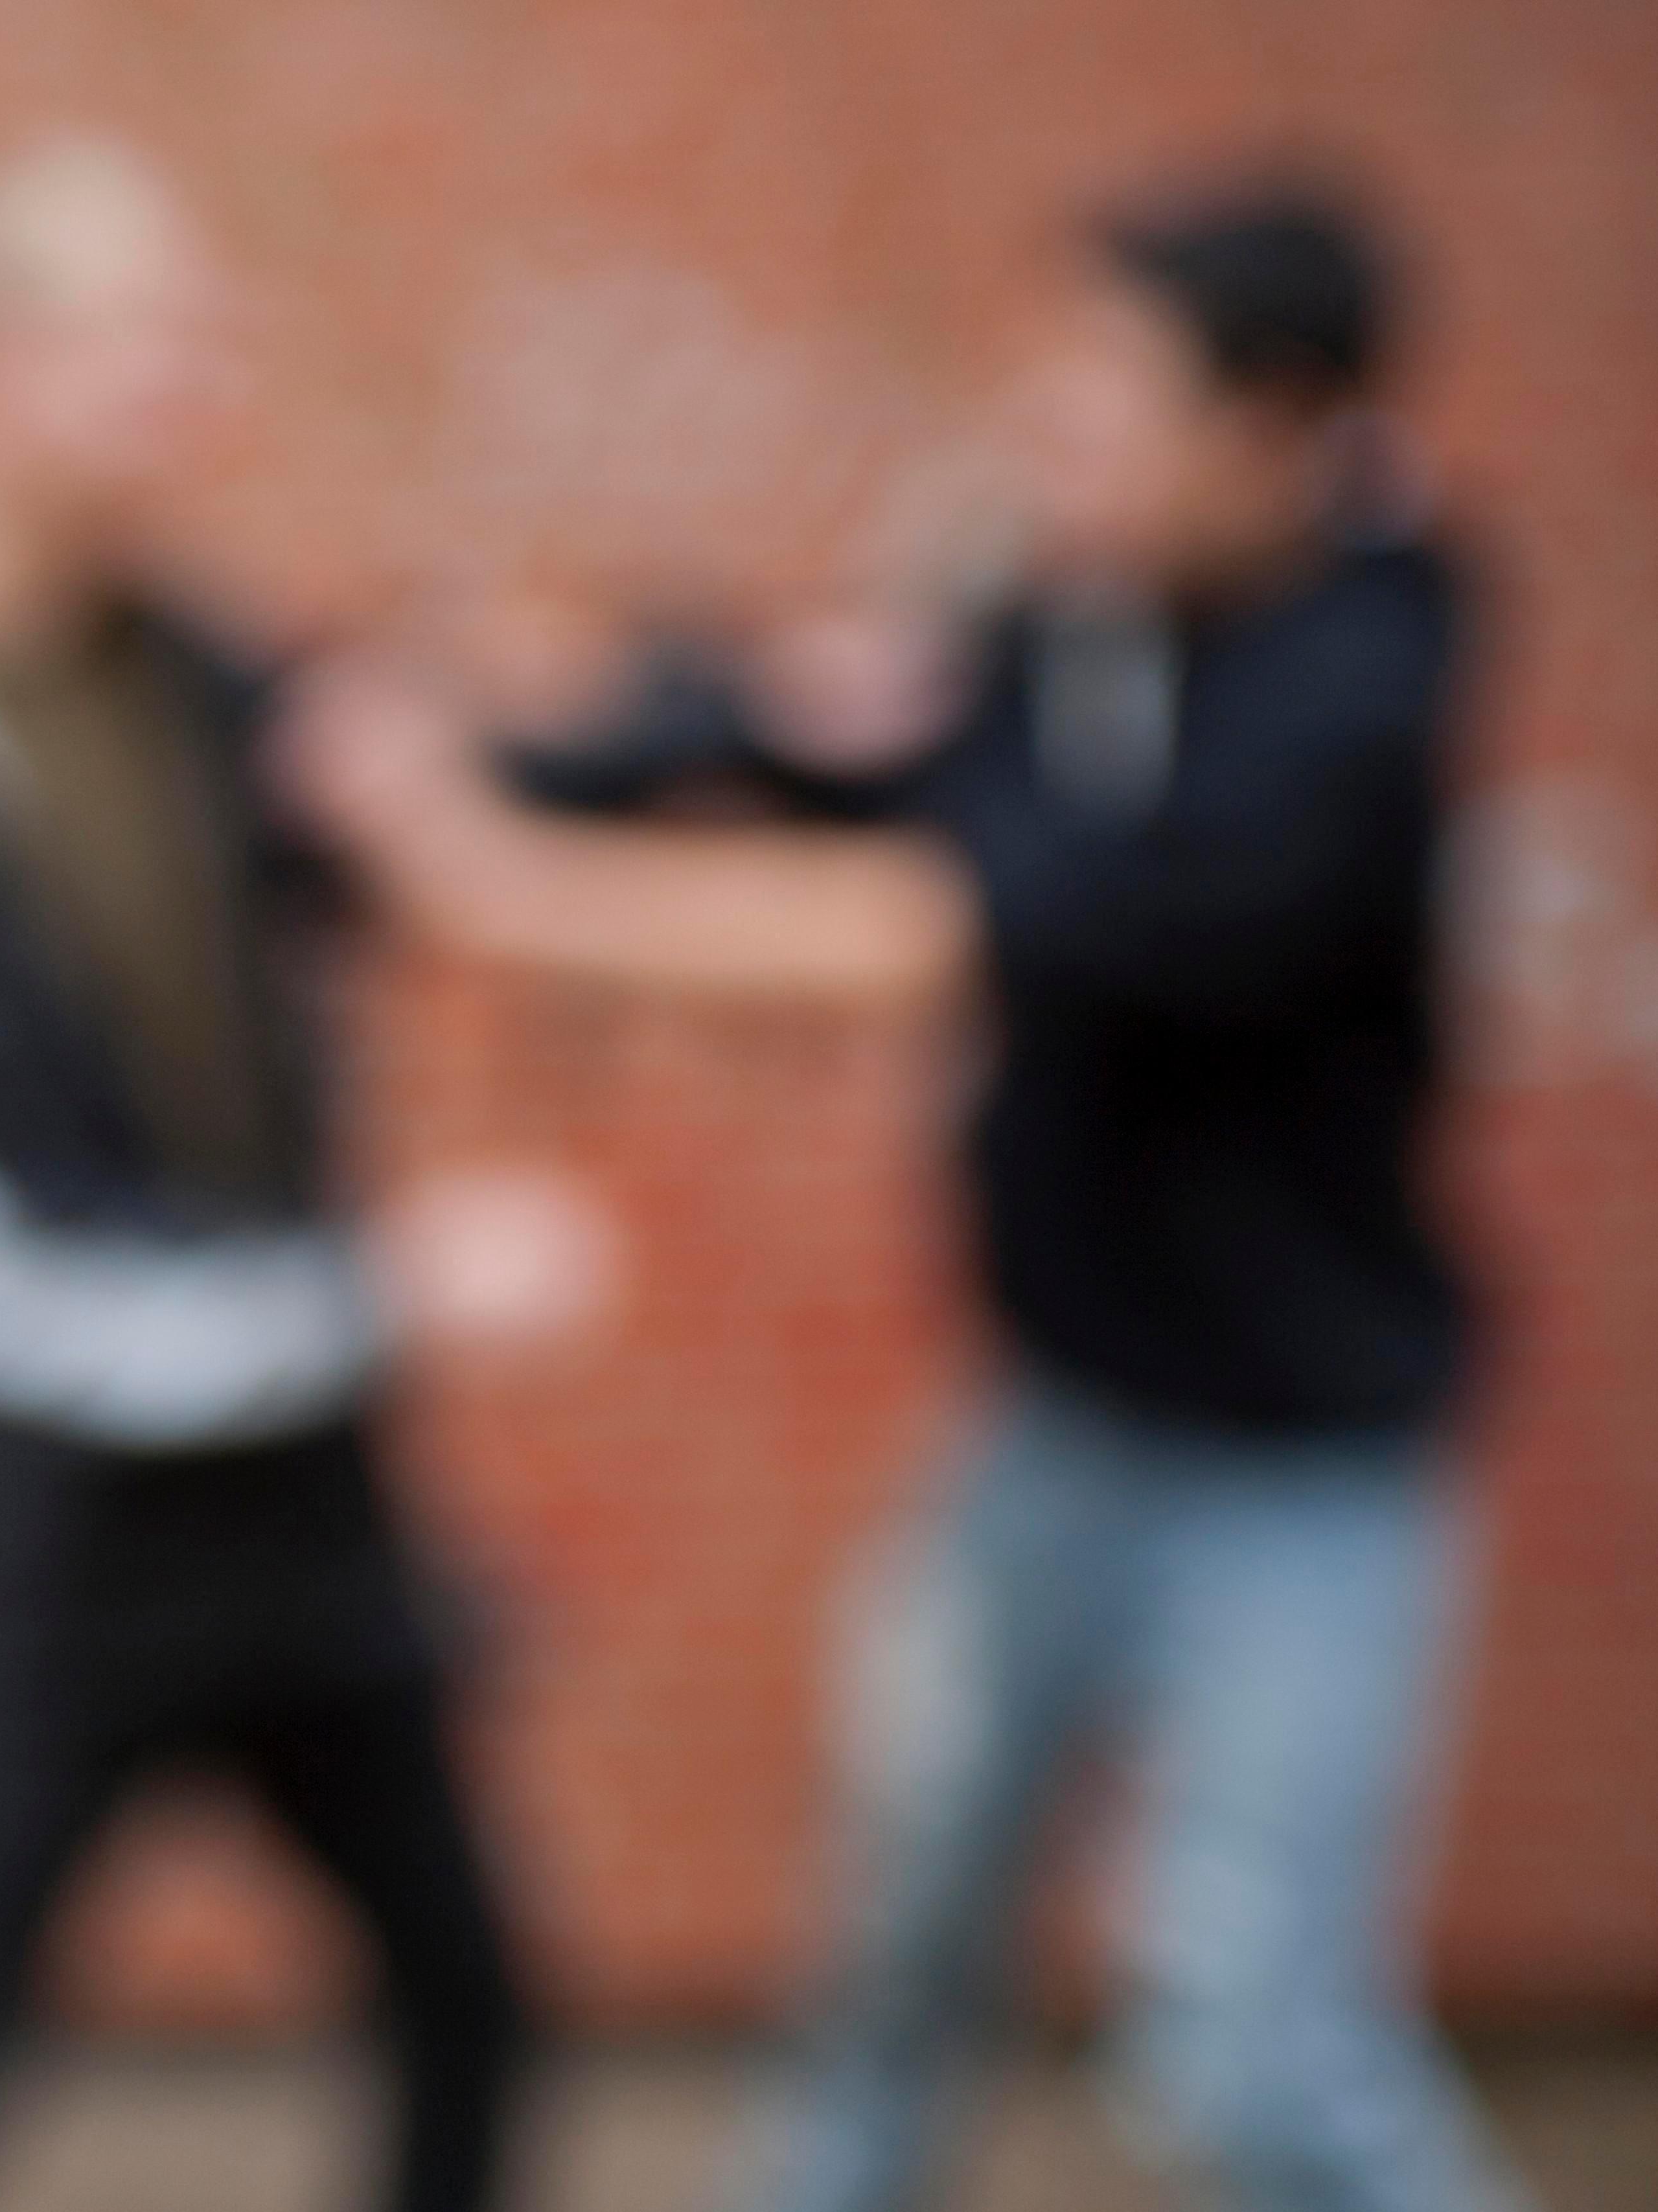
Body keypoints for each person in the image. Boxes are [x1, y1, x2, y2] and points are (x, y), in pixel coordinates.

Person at [306, 183, 1532, 2212]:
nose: (1045, 427)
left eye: (1105, 393)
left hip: (1301, 1481)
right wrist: (516, 743)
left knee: (1251, 2043)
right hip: (1049, 1435)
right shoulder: (1071, 616)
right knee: (885, 1983)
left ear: (1275, 421)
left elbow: (925, 927)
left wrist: (500, 885)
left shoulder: (1348, 700)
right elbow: (828, 735)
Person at [0, 141, 523, 2212]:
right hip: (67, 1555)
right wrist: (370, 1300)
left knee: (473, 2004)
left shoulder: (194, 673)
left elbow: (453, 775)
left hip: (309, 1522)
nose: (207, 371)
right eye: (152, 329)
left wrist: (774, 716)